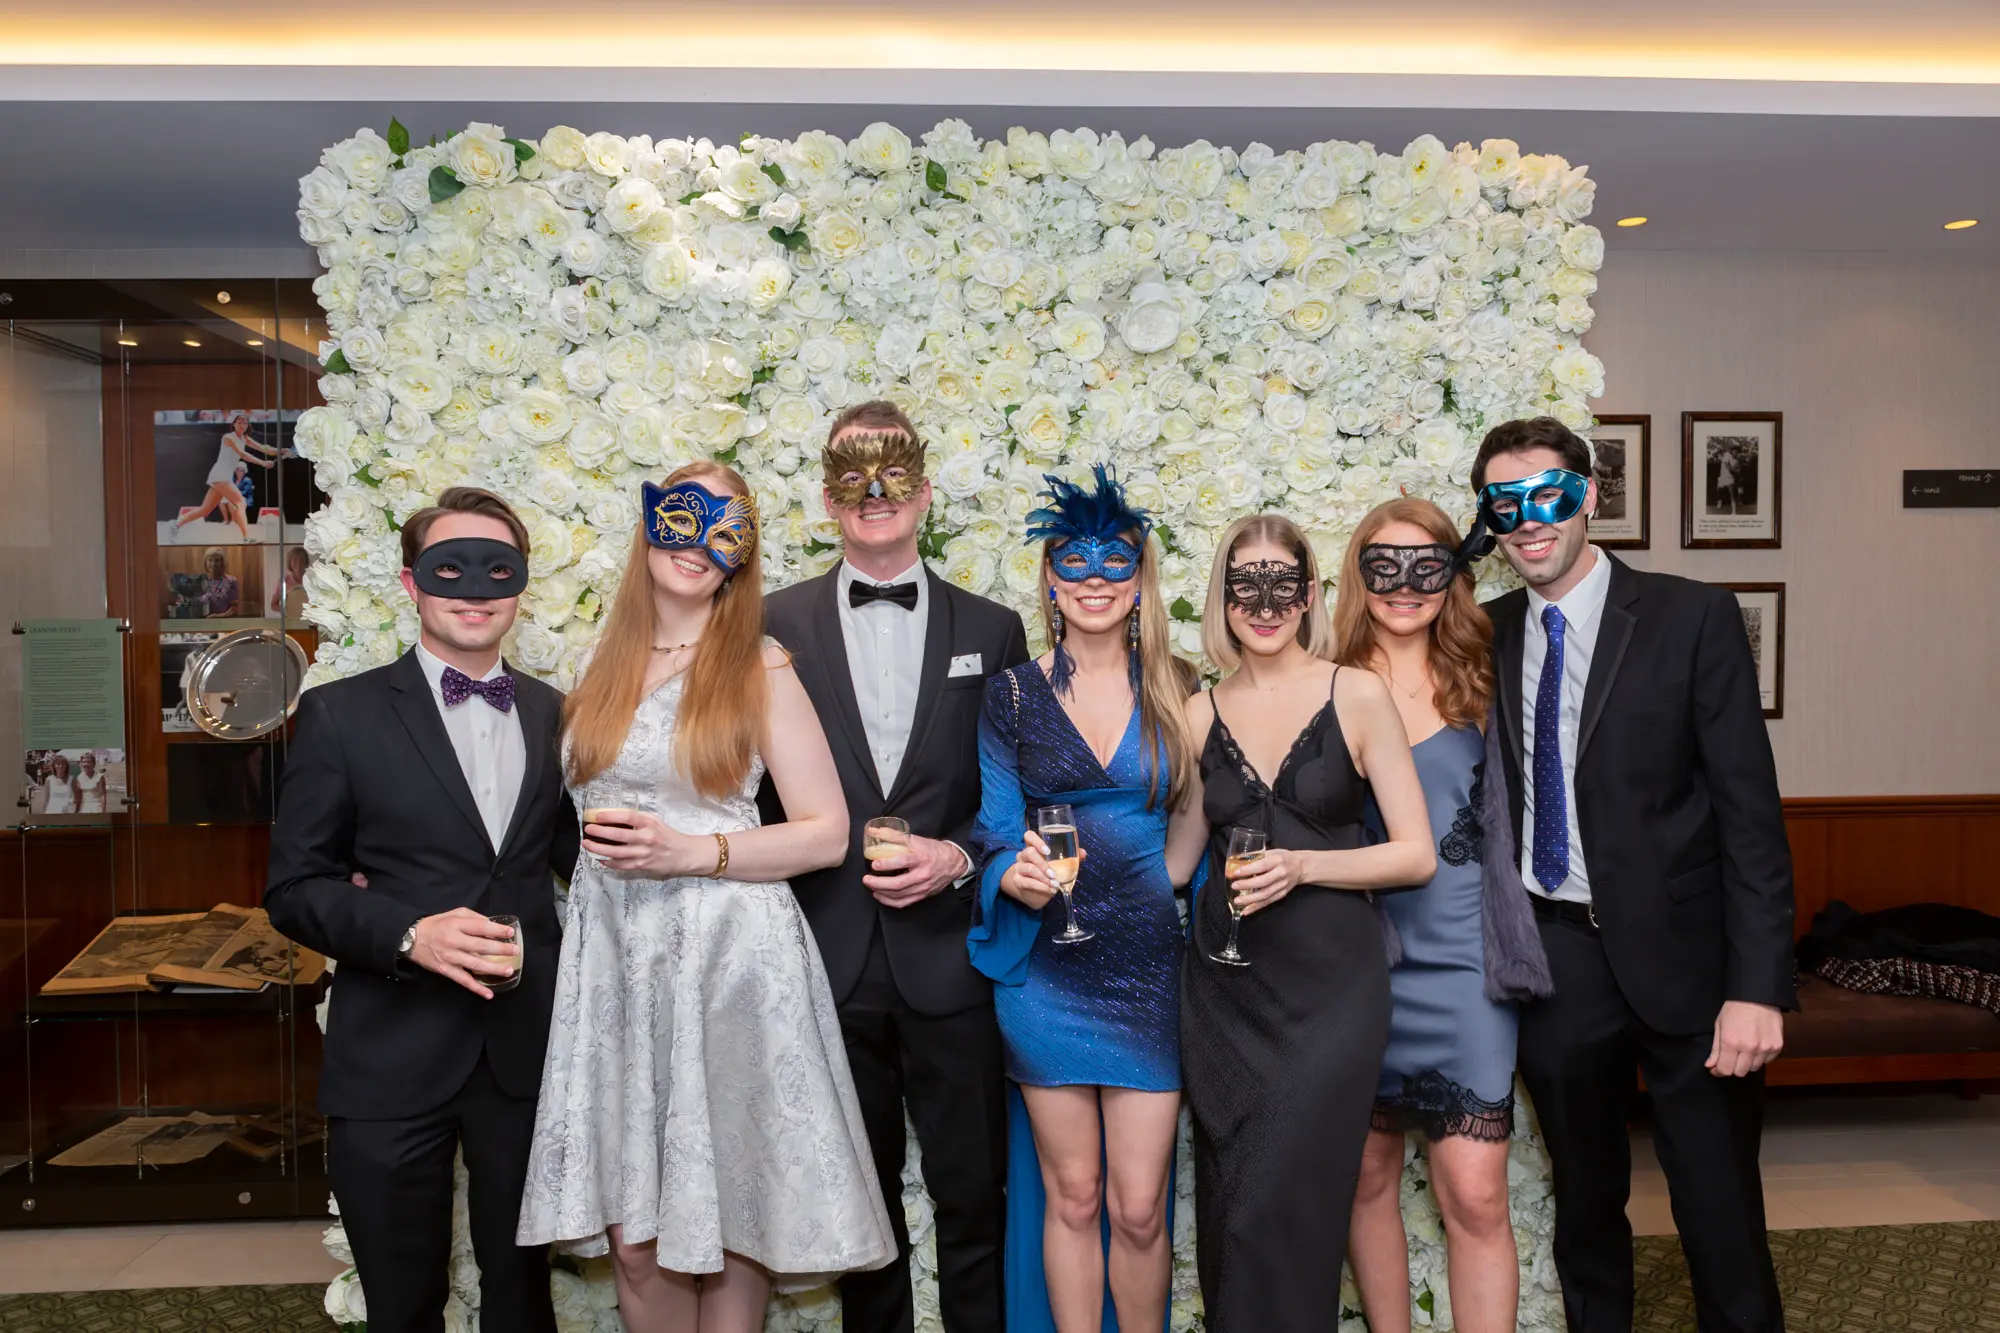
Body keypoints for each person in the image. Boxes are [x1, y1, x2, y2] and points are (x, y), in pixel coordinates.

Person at [520, 461, 896, 1333]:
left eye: (726, 529)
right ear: (650, 526)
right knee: (634, 1228)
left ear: (742, 555)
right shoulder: (600, 663)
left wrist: (694, 850)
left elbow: (826, 831)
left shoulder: (759, 663)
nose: (700, 543)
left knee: (728, 1215)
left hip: (728, 956)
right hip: (615, 959)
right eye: (684, 517)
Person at [1474, 417, 1793, 1333]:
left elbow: (1750, 816)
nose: (1530, 521)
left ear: (1591, 497)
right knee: (1585, 1213)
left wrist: (1759, 988)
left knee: (1720, 1210)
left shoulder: (1693, 615)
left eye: (1550, 496)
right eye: (1505, 505)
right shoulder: (1484, 634)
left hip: (1694, 967)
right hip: (1558, 958)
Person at [265, 486, 578, 1333]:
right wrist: (409, 932)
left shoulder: (556, 714)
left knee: (523, 1300)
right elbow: (293, 888)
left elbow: (585, 868)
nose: (474, 591)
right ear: (411, 585)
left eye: (496, 570)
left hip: (523, 1054)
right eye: (450, 569)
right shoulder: (341, 714)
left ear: (518, 587)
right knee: (403, 1304)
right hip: (390, 1054)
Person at [761, 401, 1027, 1333]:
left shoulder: (993, 630)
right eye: (851, 474)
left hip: (953, 959)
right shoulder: (766, 622)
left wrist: (956, 855)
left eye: (894, 473)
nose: (874, 493)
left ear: (926, 490)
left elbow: (1016, 797)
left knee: (972, 1198)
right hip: (823, 960)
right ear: (826, 495)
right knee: (858, 1213)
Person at [1175, 513, 1436, 1333]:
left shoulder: (1354, 691)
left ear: (1310, 593)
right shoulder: (1195, 713)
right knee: (1236, 1201)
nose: (1263, 601)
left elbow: (1415, 853)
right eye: (1244, 584)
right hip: (1226, 989)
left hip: (1332, 990)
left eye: (1280, 583)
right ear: (1222, 598)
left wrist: (1304, 864)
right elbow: (1179, 860)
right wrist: (1040, 870)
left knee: (1298, 1192)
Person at [970, 467, 1195, 1333]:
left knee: (1139, 1205)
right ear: (1051, 580)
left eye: (1115, 566)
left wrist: (1167, 879)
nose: (1095, 582)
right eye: (1075, 564)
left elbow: (1210, 814)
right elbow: (992, 826)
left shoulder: (1180, 686)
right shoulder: (1013, 694)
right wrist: (1008, 874)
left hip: (1148, 968)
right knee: (1074, 1190)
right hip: (1048, 977)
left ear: (1138, 581)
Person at [1337, 499, 1551, 1333]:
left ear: (1455, 575)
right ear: (1357, 575)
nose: (1403, 587)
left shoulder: (1489, 674)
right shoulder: (1324, 682)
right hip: (1357, 964)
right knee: (1363, 1176)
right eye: (1383, 566)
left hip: (1467, 959)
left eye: (1426, 566)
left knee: (1474, 1190)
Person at [175, 414, 278, 541]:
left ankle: (176, 525)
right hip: (220, 474)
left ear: (247, 426)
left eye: (245, 423)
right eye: (239, 422)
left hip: (223, 476)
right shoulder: (228, 437)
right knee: (240, 502)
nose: (242, 425)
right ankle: (246, 537)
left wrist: (280, 451)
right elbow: (242, 454)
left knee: (204, 511)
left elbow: (264, 448)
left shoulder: (245, 439)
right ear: (234, 424)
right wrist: (263, 463)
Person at [198, 547, 241, 617]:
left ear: (222, 562)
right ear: (205, 562)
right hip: (200, 623)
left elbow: (234, 609)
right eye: (210, 560)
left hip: (224, 623)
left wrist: (218, 616)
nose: (213, 564)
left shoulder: (231, 581)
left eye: (217, 560)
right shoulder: (199, 581)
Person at [273, 546, 312, 619]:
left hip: (309, 623)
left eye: (301, 559)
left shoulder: (313, 580)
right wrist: (289, 609)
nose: (298, 563)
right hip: (289, 623)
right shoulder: (284, 581)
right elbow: (273, 605)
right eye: (295, 560)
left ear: (306, 562)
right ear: (290, 562)